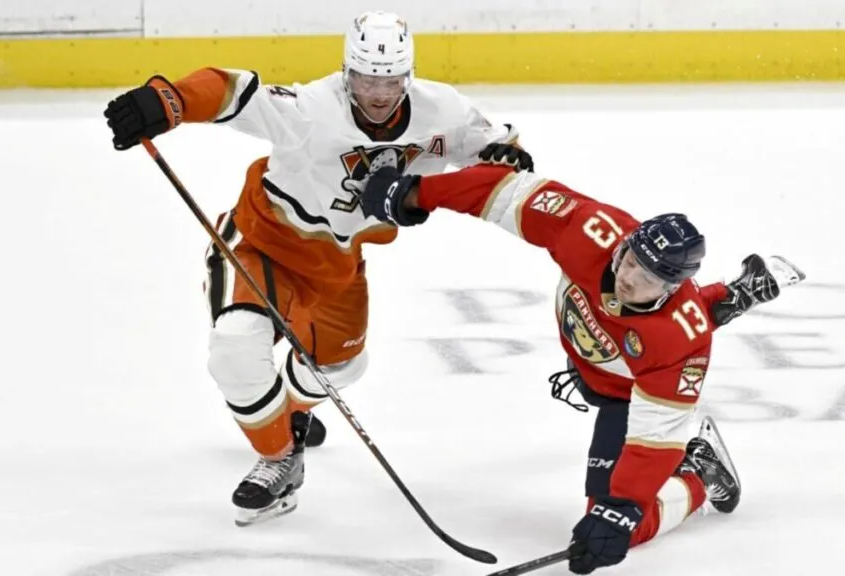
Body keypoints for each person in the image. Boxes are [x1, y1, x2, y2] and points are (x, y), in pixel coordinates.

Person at [102, 11, 529, 527]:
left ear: (408, 76)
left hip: (338, 260)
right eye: (368, 79)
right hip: (263, 241)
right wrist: (167, 101)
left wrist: (506, 156)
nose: (378, 92)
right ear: (347, 73)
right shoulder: (309, 109)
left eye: (391, 80)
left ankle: (290, 413)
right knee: (236, 347)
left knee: (346, 366)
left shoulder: (442, 109)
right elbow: (232, 90)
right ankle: (280, 458)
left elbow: (493, 144)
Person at [357, 160, 805, 574]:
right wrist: (419, 192)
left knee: (625, 527)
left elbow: (657, 435)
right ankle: (739, 293)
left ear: (672, 287)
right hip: (602, 361)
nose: (628, 277)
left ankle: (703, 474)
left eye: (648, 279)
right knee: (643, 335)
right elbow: (505, 192)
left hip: (620, 393)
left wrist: (623, 507)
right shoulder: (592, 230)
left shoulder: (679, 340)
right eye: (631, 260)